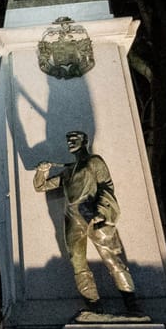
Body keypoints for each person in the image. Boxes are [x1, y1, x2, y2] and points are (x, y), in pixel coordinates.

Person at [33, 131, 138, 313]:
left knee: (113, 260)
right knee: (78, 263)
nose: (70, 142)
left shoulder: (94, 162)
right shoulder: (68, 171)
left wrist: (102, 211)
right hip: (72, 219)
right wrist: (42, 171)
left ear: (85, 142)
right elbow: (40, 186)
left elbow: (106, 186)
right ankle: (94, 306)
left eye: (75, 139)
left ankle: (132, 304)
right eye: (68, 140)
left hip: (91, 214)